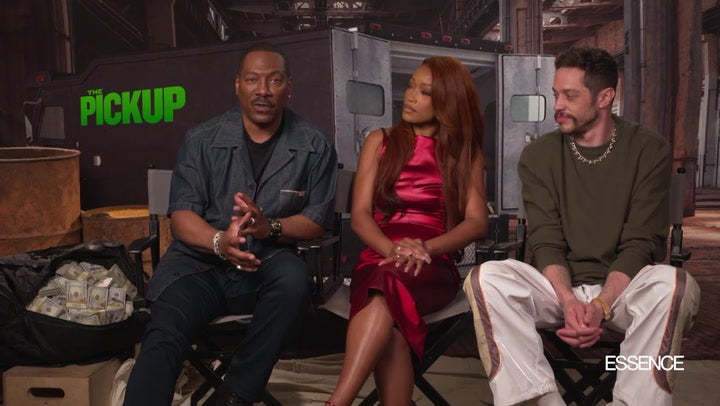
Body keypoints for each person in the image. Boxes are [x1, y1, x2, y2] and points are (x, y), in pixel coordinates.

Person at [464, 46, 700, 406]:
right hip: (557, 290)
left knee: (674, 283)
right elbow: (546, 240)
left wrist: (601, 305)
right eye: (556, 93)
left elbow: (640, 242)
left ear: (605, 97)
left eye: (570, 96)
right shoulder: (539, 155)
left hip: (624, 290)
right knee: (486, 277)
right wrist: (569, 300)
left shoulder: (649, 149)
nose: (557, 105)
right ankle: (541, 402)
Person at [124, 43, 337, 406]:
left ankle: (234, 396)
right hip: (198, 265)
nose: (263, 90)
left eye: (274, 80)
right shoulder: (201, 139)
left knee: (293, 281)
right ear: (237, 84)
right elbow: (182, 217)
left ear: (289, 86)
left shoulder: (314, 144)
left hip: (266, 260)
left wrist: (269, 227)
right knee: (166, 329)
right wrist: (220, 240)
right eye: (253, 79)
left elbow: (316, 221)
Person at [326, 56, 489, 406]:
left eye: (424, 91)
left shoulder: (464, 153)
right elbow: (360, 216)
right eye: (411, 86)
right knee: (389, 309)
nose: (411, 96)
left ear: (446, 100)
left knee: (385, 290)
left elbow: (477, 221)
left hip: (432, 263)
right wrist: (392, 250)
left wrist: (425, 248)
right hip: (380, 255)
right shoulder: (380, 141)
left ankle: (337, 402)